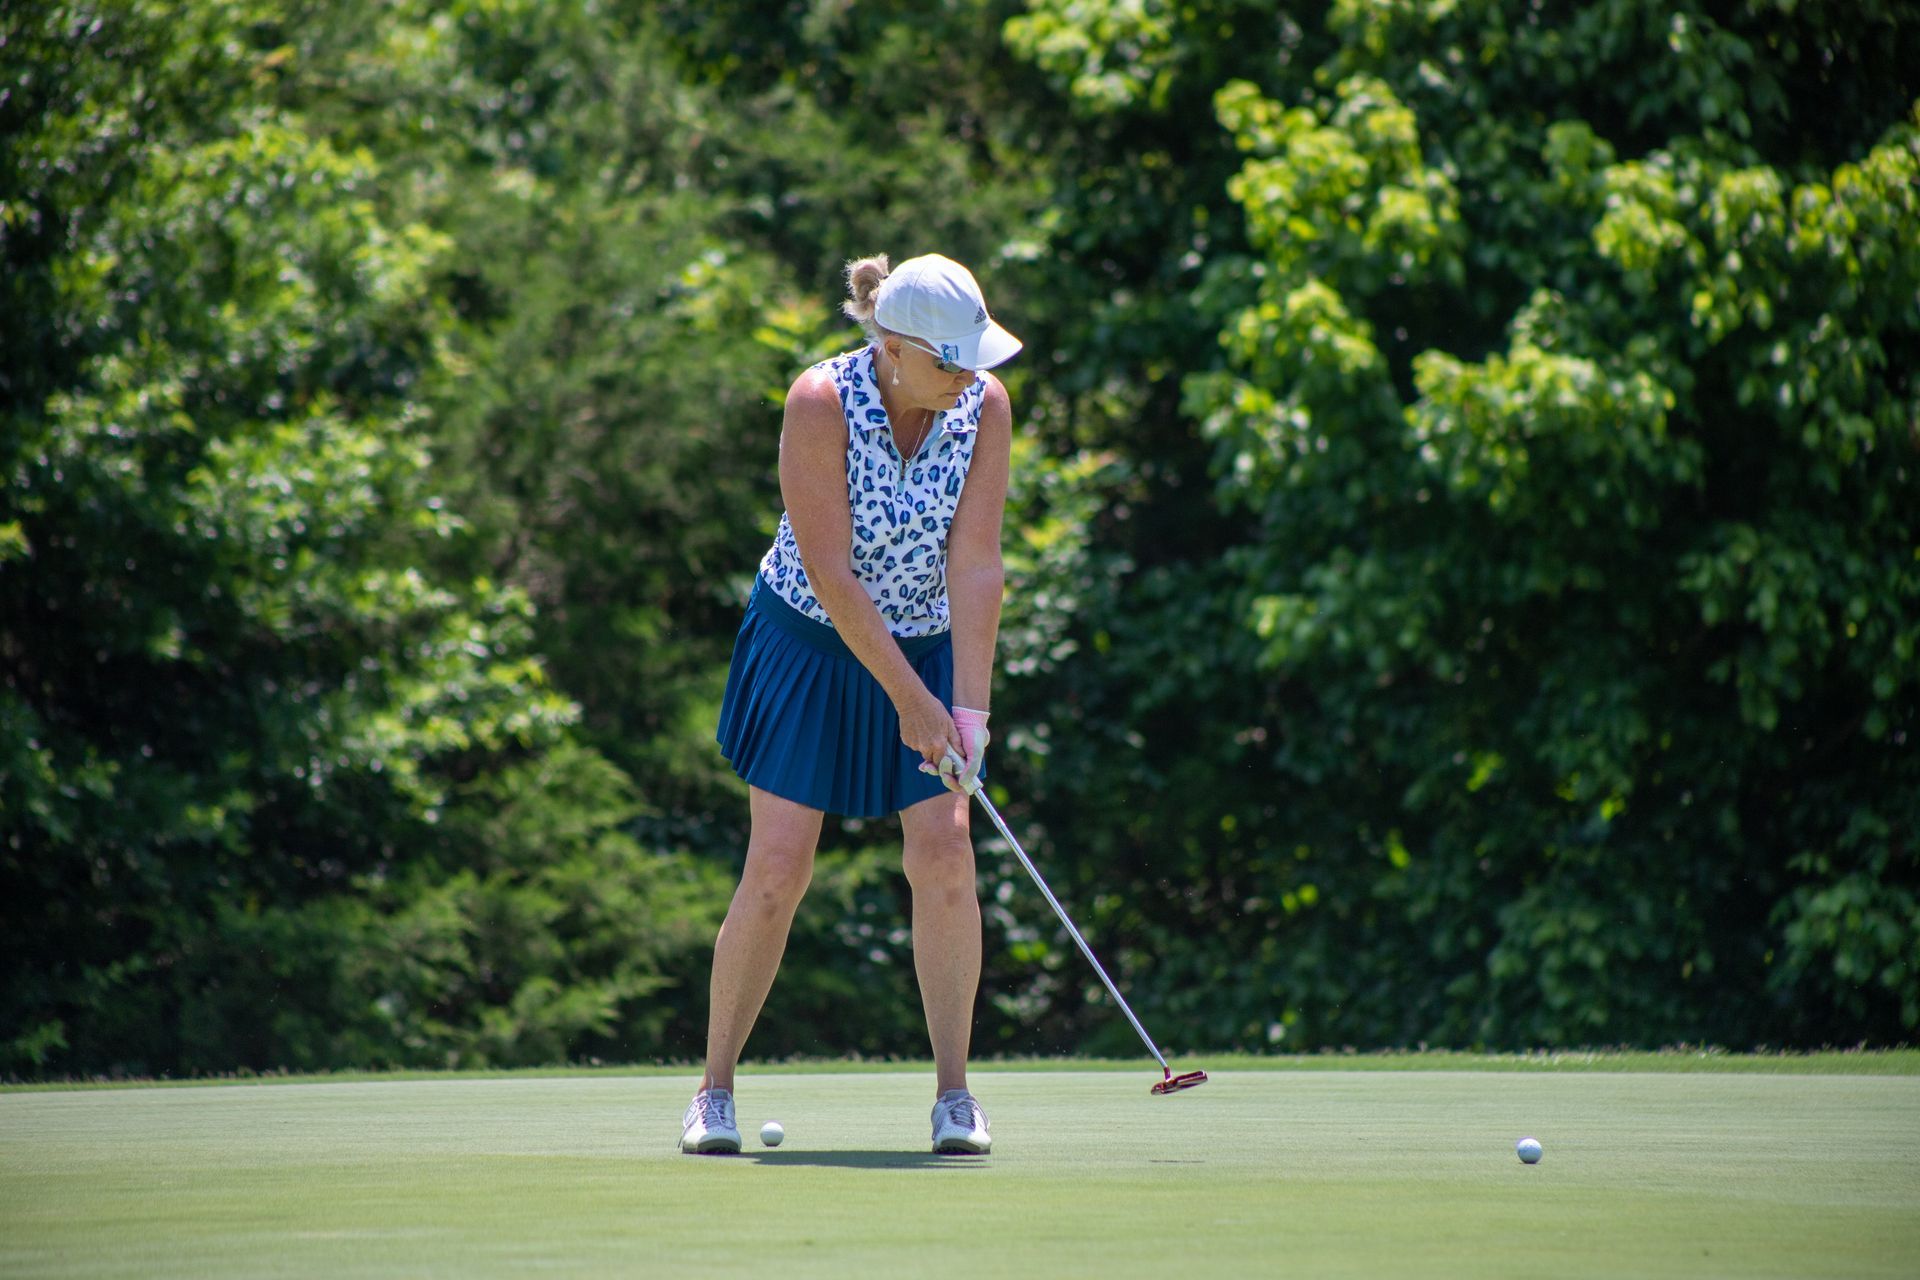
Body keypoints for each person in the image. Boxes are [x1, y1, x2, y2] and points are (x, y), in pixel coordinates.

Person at [680, 253, 1021, 1156]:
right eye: (949, 362)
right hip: (808, 640)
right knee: (780, 863)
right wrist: (913, 704)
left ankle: (956, 1097)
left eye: (974, 360)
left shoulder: (983, 407)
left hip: (926, 640)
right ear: (894, 349)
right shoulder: (819, 402)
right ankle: (713, 1091)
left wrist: (970, 716)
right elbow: (832, 575)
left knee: (947, 849)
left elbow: (977, 564)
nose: (967, 377)